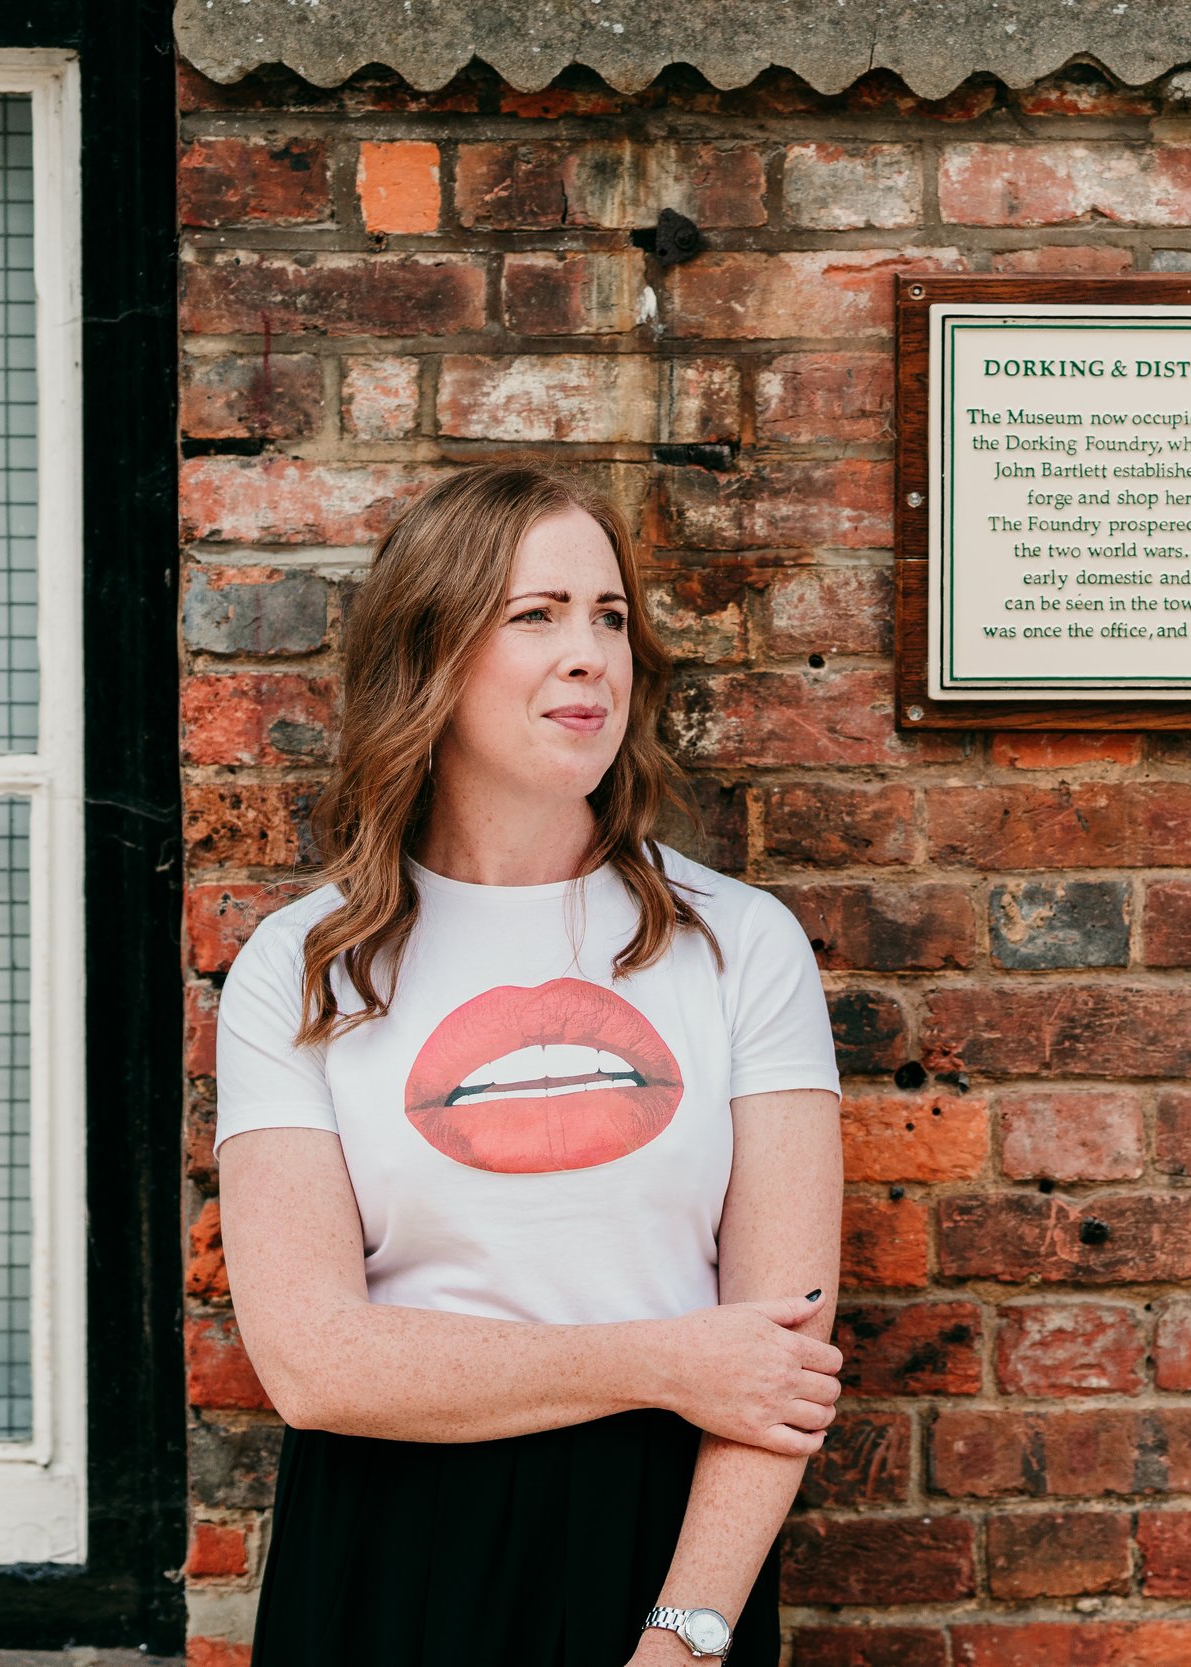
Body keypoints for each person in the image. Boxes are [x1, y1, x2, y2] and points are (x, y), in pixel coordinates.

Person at [211, 464, 845, 1666]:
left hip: (666, 1545)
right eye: (535, 614)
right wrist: (664, 1357)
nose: (589, 654)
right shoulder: (304, 963)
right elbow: (313, 1362)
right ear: (431, 655)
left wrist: (689, 1631)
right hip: (387, 1549)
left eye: (608, 616)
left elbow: (781, 1360)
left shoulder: (736, 941)